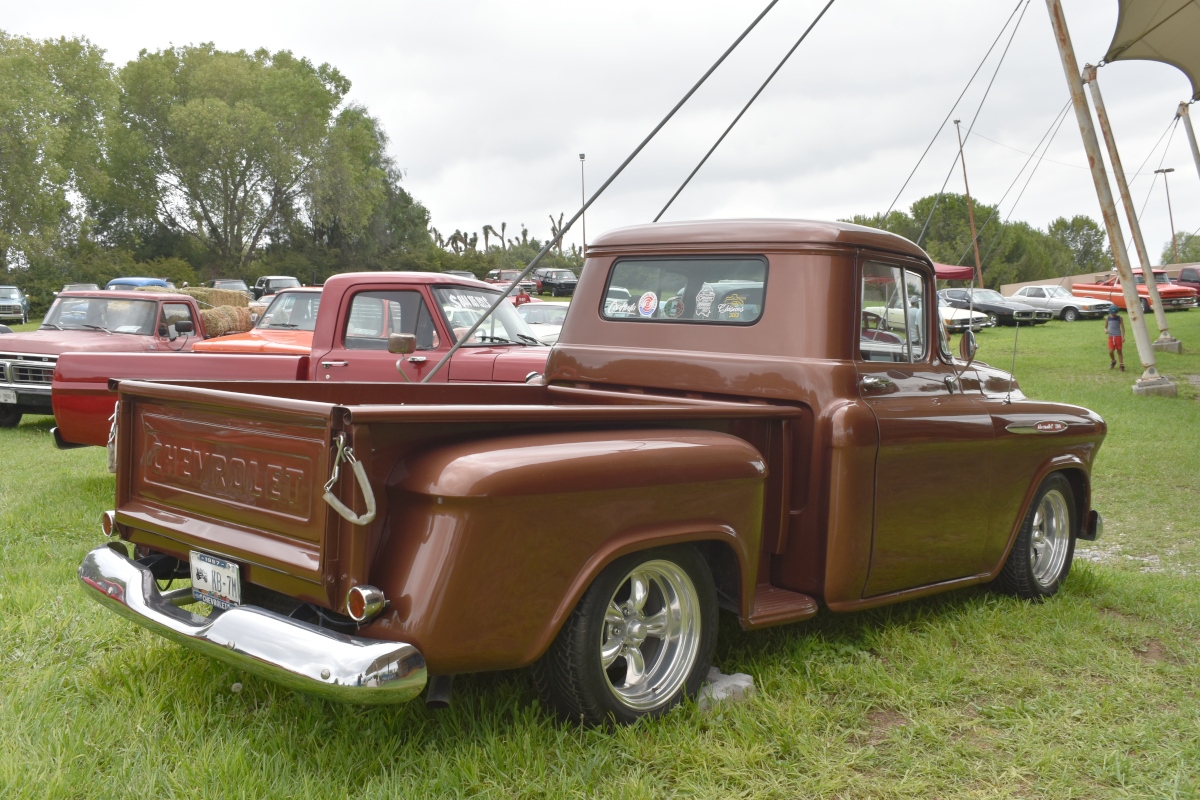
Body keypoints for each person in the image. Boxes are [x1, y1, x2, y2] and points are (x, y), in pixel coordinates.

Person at [1105, 307, 1125, 372]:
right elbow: (1105, 327)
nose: (1113, 315)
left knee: (1119, 351)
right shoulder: (1108, 318)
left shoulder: (1119, 318)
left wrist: (1123, 336)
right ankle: (1113, 361)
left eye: (1115, 313)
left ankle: (1121, 365)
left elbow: (1122, 328)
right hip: (1111, 336)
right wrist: (1106, 330)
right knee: (1110, 351)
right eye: (1112, 313)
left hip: (1118, 336)